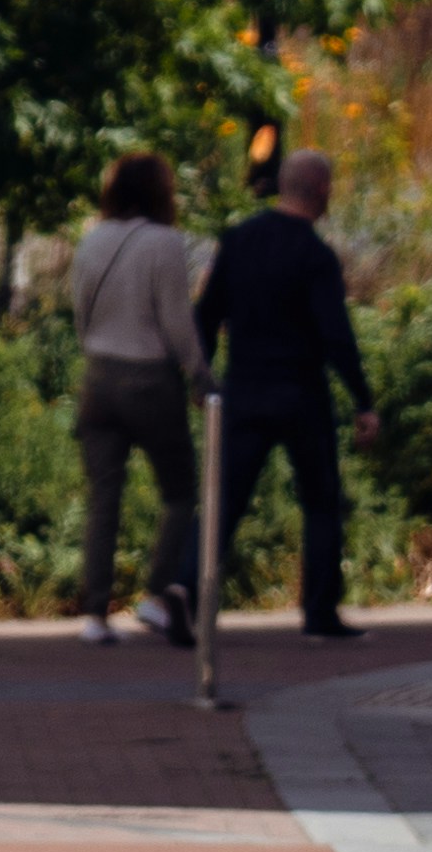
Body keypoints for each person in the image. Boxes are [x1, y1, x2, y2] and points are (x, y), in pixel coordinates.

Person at [198, 149, 376, 641]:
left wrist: (201, 376)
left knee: (225, 501)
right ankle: (319, 612)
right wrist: (363, 399)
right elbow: (335, 334)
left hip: (244, 390)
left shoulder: (237, 241)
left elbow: (206, 313)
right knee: (321, 502)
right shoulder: (315, 257)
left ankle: (185, 587)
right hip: (301, 394)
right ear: (321, 190)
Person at [68, 148, 207, 641]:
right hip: (148, 378)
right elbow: (176, 318)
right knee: (181, 491)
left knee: (104, 498)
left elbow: (79, 309)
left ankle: (96, 613)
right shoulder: (165, 243)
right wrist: (200, 373)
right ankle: (156, 592)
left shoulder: (91, 239)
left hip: (98, 377)